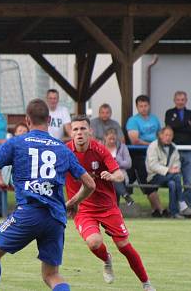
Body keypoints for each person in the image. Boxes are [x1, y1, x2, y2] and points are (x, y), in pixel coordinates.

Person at [0, 99, 96, 291]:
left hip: (29, 213)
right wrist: (73, 202)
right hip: (56, 218)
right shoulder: (63, 148)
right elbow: (90, 184)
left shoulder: (16, 143)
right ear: (50, 119)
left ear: (27, 120)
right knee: (51, 274)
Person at [67, 115, 155, 291]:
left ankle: (146, 283)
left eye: (83, 129)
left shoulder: (99, 150)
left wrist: (112, 176)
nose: (79, 133)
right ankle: (106, 259)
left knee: (124, 246)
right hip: (83, 208)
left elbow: (120, 174)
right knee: (94, 242)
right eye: (75, 129)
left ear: (90, 131)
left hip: (107, 206)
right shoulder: (65, 152)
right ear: (71, 133)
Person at [126, 95, 165, 217]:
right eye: (140, 106)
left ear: (149, 106)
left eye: (145, 106)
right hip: (139, 156)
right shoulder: (133, 121)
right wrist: (153, 144)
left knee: (152, 182)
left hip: (155, 156)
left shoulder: (154, 119)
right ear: (137, 107)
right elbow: (135, 140)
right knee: (147, 183)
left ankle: (156, 210)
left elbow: (161, 135)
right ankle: (161, 210)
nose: (143, 108)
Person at [146, 126, 191, 219]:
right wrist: (169, 170)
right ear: (161, 135)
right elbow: (152, 165)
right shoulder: (153, 146)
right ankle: (182, 204)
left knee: (173, 183)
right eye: (166, 135)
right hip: (154, 176)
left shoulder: (173, 147)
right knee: (176, 177)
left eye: (170, 135)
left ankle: (174, 213)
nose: (168, 137)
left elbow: (177, 163)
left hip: (170, 176)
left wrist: (176, 169)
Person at [164, 91, 191, 209]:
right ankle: (175, 207)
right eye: (178, 99)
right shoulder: (169, 113)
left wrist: (179, 126)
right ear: (174, 100)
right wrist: (186, 125)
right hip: (175, 152)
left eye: (182, 99)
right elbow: (169, 126)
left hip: (189, 151)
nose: (180, 102)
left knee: (188, 181)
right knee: (175, 180)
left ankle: (187, 207)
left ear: (186, 100)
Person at [103, 128, 134, 206]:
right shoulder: (100, 147)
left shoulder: (122, 147)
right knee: (112, 179)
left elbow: (129, 163)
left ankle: (117, 208)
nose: (112, 141)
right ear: (105, 137)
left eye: (113, 139)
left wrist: (117, 162)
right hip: (104, 175)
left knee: (114, 179)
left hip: (121, 175)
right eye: (110, 138)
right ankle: (125, 195)